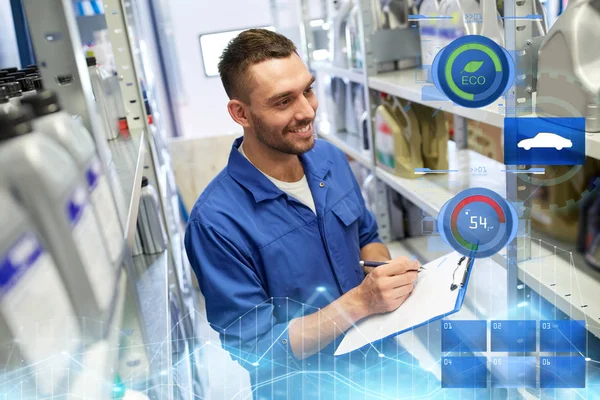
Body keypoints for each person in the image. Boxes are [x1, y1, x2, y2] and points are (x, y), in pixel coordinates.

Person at [184, 29, 424, 399]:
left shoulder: (328, 158)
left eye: (307, 90)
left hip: (382, 363)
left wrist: (384, 276)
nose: (307, 111)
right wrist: (362, 302)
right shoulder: (216, 223)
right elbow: (257, 348)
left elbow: (366, 238)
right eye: (283, 102)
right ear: (241, 113)